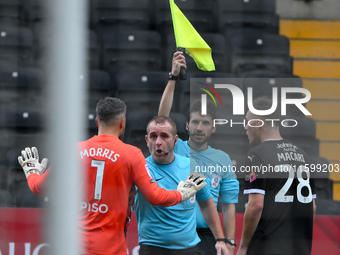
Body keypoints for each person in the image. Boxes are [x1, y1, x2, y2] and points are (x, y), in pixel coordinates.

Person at [17, 97, 207, 255]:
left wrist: (32, 172)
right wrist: (182, 193)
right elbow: (156, 197)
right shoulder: (131, 154)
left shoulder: (74, 151)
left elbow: (37, 187)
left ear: (97, 121)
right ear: (123, 123)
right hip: (112, 249)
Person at [158, 51, 239, 254]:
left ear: (214, 127)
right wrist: (173, 77)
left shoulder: (223, 159)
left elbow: (229, 205)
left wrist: (228, 240)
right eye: (195, 122)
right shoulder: (176, 148)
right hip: (177, 232)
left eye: (205, 123)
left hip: (208, 237)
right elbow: (162, 119)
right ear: (187, 125)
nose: (199, 127)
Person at [135, 115, 230, 255]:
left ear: (175, 140)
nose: (158, 142)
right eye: (153, 136)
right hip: (153, 248)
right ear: (147, 140)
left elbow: (206, 204)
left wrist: (220, 239)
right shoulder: (140, 168)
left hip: (190, 249)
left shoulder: (191, 165)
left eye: (164, 136)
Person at [236, 96, 316, 255]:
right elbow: (312, 207)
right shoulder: (303, 155)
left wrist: (243, 246)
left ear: (258, 124)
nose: (246, 127)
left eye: (248, 121)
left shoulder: (256, 155)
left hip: (267, 248)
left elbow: (256, 206)